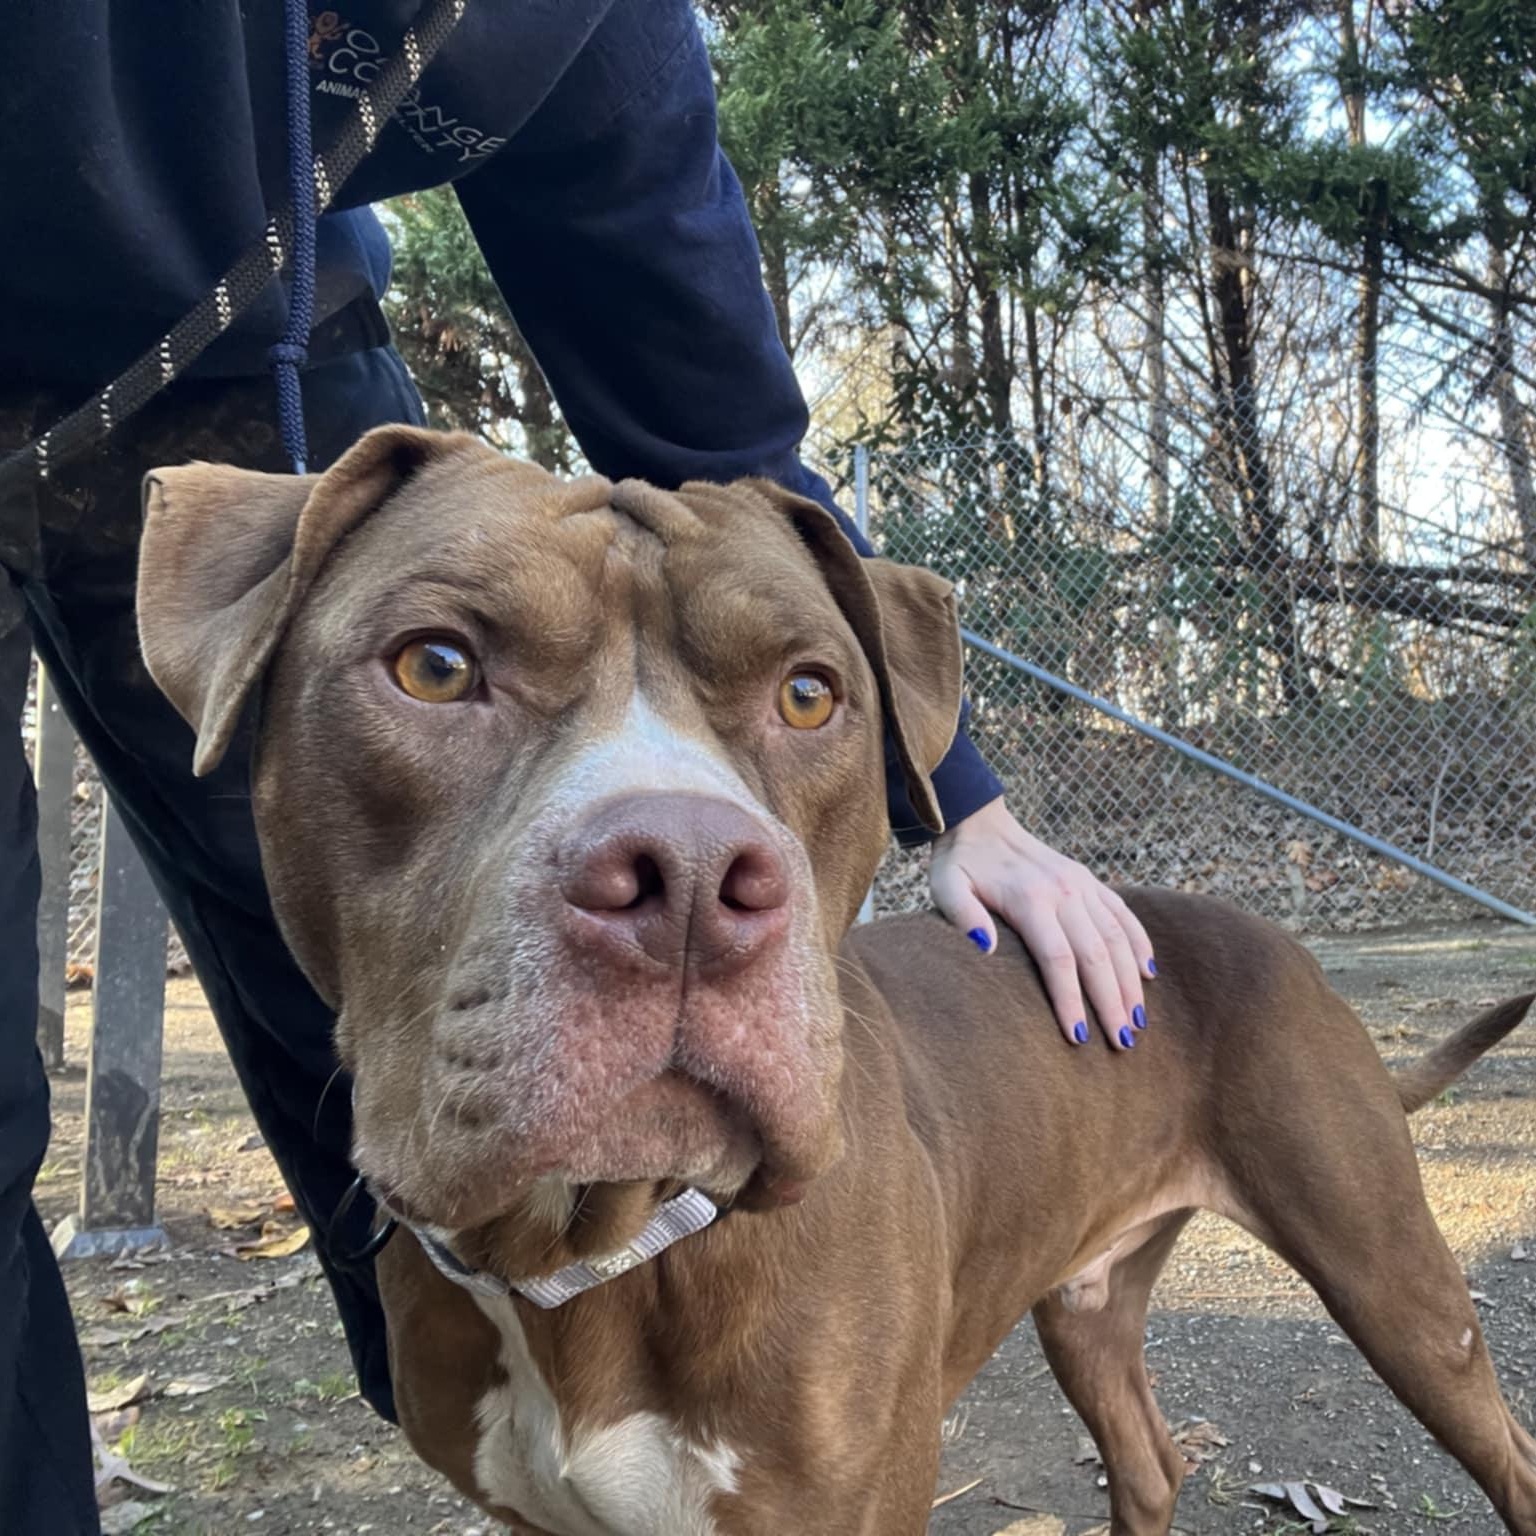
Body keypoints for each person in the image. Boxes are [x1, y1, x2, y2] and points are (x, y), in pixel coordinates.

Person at [0, 2, 1156, 1528]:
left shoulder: (587, 24)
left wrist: (965, 801)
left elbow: (707, 403)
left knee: (353, 1041)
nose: (675, 853)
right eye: (443, 670)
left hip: (250, 346)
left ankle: (539, 1433)